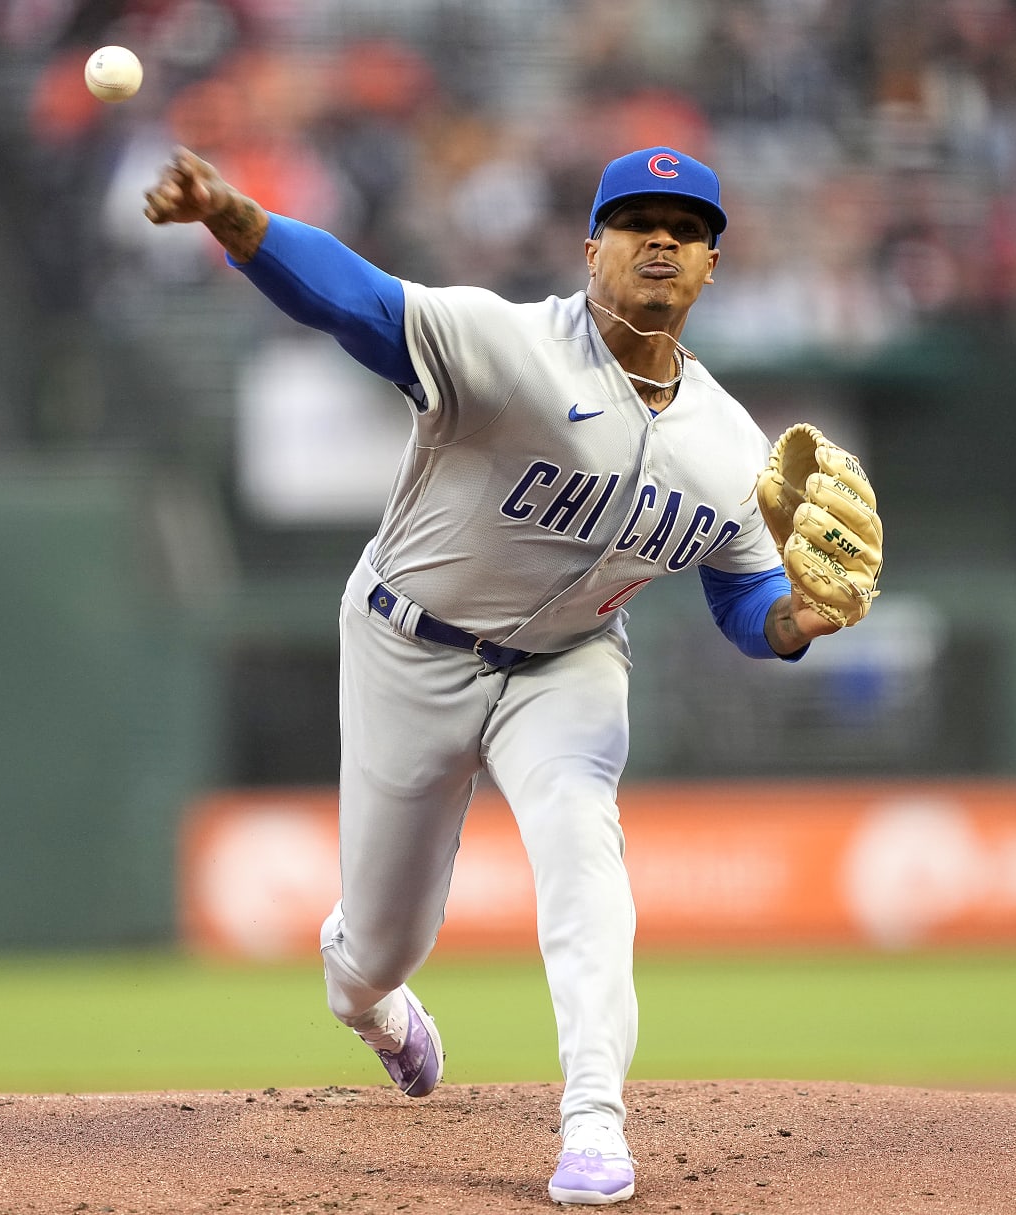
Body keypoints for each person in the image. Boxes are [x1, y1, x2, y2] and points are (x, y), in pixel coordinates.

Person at [145, 144, 858, 1206]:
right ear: (592, 247)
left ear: (712, 266)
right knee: (381, 945)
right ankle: (373, 1001)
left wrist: (796, 620)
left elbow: (743, 602)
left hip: (566, 667)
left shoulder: (728, 446)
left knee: (582, 847)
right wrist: (235, 216)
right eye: (635, 220)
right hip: (407, 645)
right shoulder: (509, 346)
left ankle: (595, 1122)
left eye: (688, 228)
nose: (661, 239)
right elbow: (360, 305)